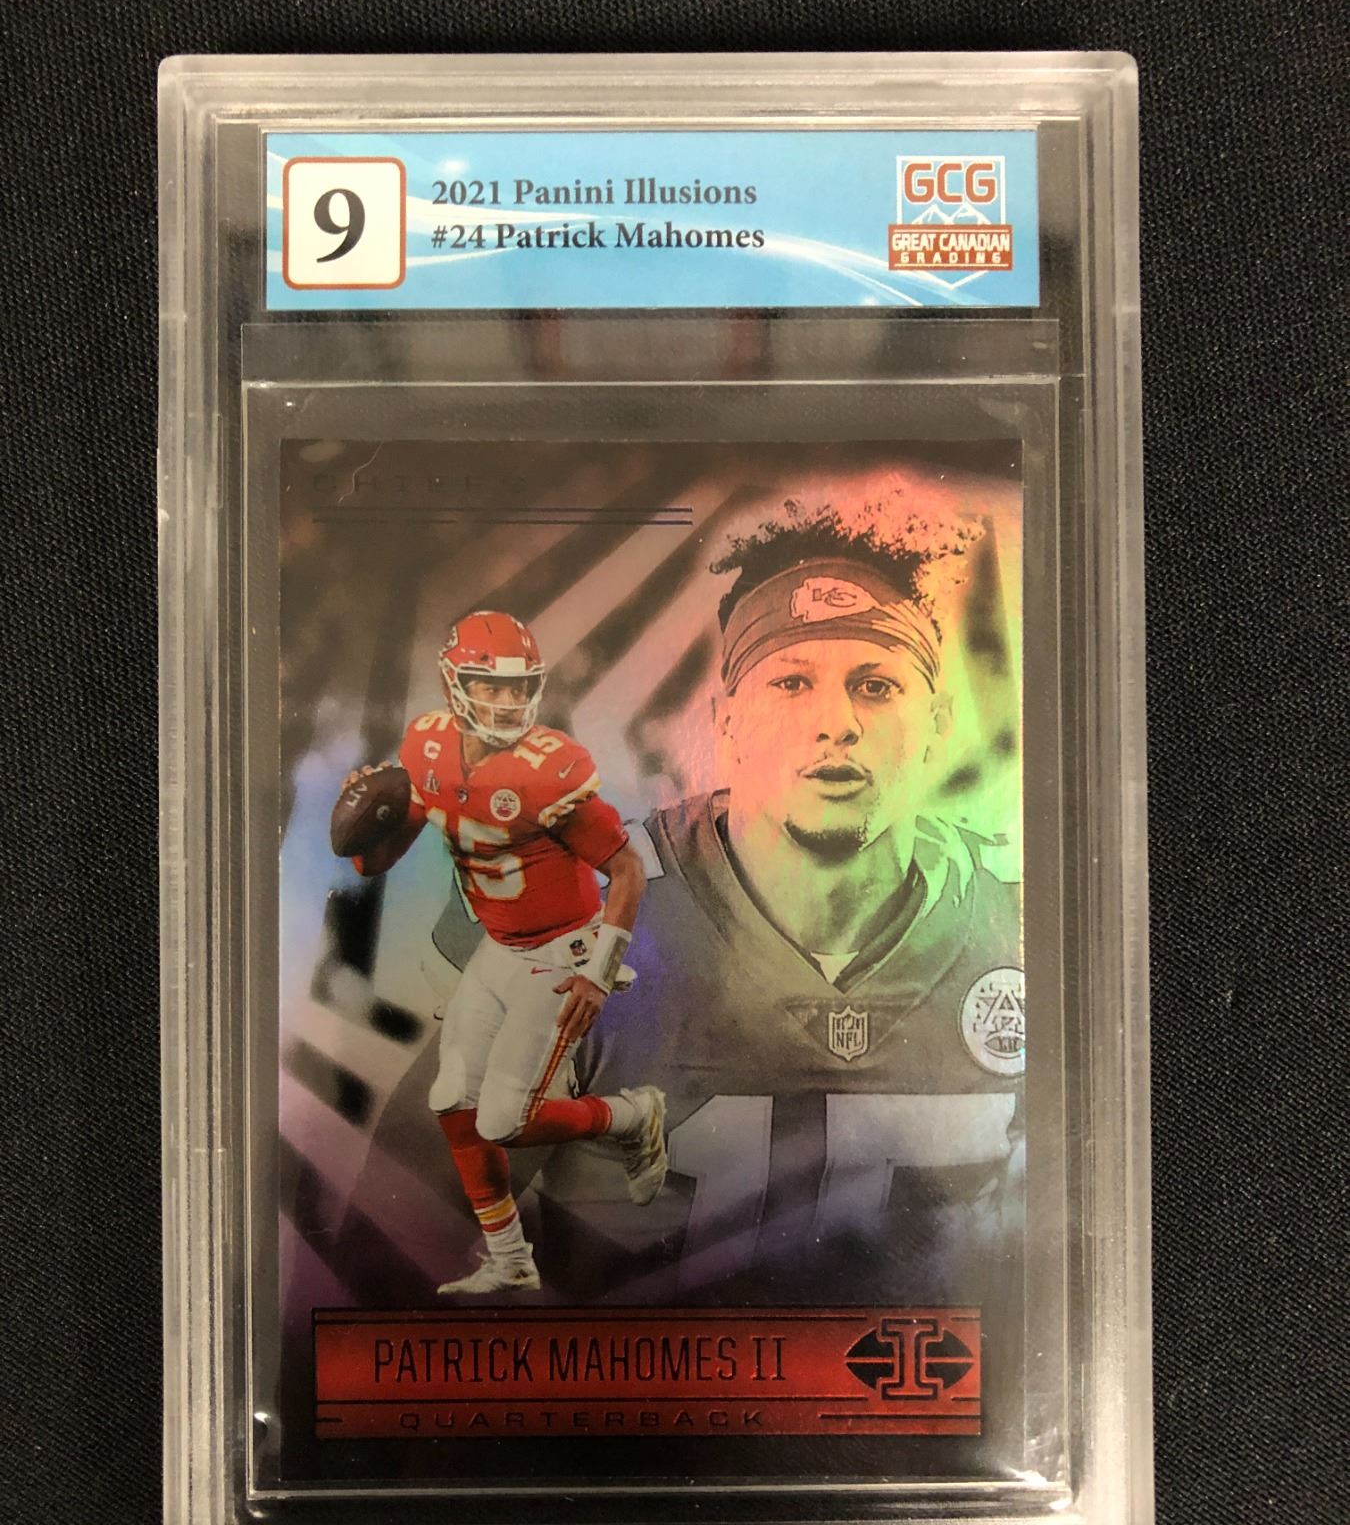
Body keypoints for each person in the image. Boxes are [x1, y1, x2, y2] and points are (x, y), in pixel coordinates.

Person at [531, 510, 1024, 1306]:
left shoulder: (1023, 926)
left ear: (936, 725)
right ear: (725, 721)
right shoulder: (587, 915)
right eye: (791, 682)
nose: (836, 725)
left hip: (923, 1380)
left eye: (876, 686)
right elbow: (413, 1239)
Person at [340, 608, 666, 1296]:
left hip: (564, 949)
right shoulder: (428, 747)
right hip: (503, 946)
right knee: (452, 1100)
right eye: (491, 686)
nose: (508, 701)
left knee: (505, 1120)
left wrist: (599, 975)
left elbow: (628, 870)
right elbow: (383, 857)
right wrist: (367, 832)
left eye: (519, 687)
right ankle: (510, 1258)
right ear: (454, 686)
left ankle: (635, 1116)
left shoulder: (547, 772)